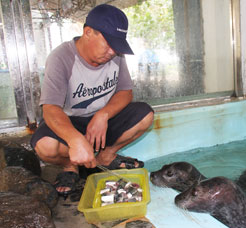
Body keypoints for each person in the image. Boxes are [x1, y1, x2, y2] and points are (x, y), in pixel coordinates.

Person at [30, 4, 154, 197]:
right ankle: (70, 166)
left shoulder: (115, 56)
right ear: (88, 32)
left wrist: (102, 115)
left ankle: (105, 157)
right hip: (70, 121)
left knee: (145, 115)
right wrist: (75, 140)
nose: (113, 52)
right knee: (45, 146)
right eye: (109, 43)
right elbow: (50, 109)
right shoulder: (61, 57)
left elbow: (125, 92)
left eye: (117, 46)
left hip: (100, 121)